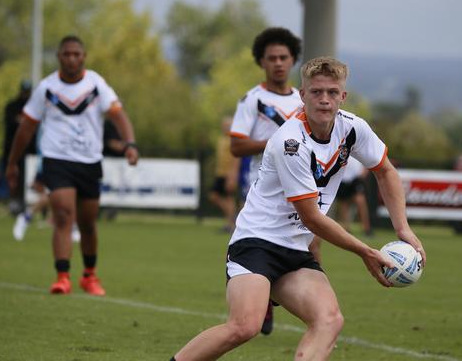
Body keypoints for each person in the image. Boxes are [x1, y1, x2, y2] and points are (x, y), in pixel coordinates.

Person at [170, 56, 425, 361]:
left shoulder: (353, 128)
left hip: (294, 248)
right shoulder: (290, 141)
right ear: (302, 95)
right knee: (244, 326)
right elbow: (312, 218)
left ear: (343, 96)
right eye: (316, 92)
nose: (325, 99)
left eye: (332, 92)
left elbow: (385, 171)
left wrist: (403, 229)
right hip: (256, 243)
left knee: (329, 320)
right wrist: (365, 251)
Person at [6, 35, 139, 296]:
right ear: (59, 57)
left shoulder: (96, 84)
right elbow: (26, 128)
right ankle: (62, 276)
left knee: (88, 223)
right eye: (66, 54)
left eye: (76, 54)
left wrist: (130, 144)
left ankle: (89, 275)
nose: (71, 58)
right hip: (58, 160)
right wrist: (13, 163)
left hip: (89, 161)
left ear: (84, 57)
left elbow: (118, 115)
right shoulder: (46, 88)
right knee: (64, 214)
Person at [229, 27, 303, 335]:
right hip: (261, 184)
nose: (278, 63)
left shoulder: (304, 99)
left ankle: (294, 306)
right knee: (261, 241)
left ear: (293, 60)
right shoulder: (253, 100)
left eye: (283, 57)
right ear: (261, 61)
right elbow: (236, 145)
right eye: (271, 58)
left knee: (311, 243)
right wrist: (273, 142)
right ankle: (259, 298)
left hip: (298, 183)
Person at [0, 80, 36, 214]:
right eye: (24, 91)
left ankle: (23, 203)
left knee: (26, 179)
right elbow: (11, 123)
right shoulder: (12, 106)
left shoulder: (33, 107)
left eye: (28, 91)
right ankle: (13, 203)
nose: (26, 94)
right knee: (12, 177)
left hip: (29, 152)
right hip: (11, 150)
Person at [209, 117, 240, 233]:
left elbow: (235, 159)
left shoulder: (233, 140)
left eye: (228, 125)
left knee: (228, 199)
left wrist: (232, 176)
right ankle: (231, 219)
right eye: (224, 125)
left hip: (228, 174)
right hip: (219, 173)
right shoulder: (221, 139)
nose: (225, 127)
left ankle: (231, 223)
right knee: (214, 196)